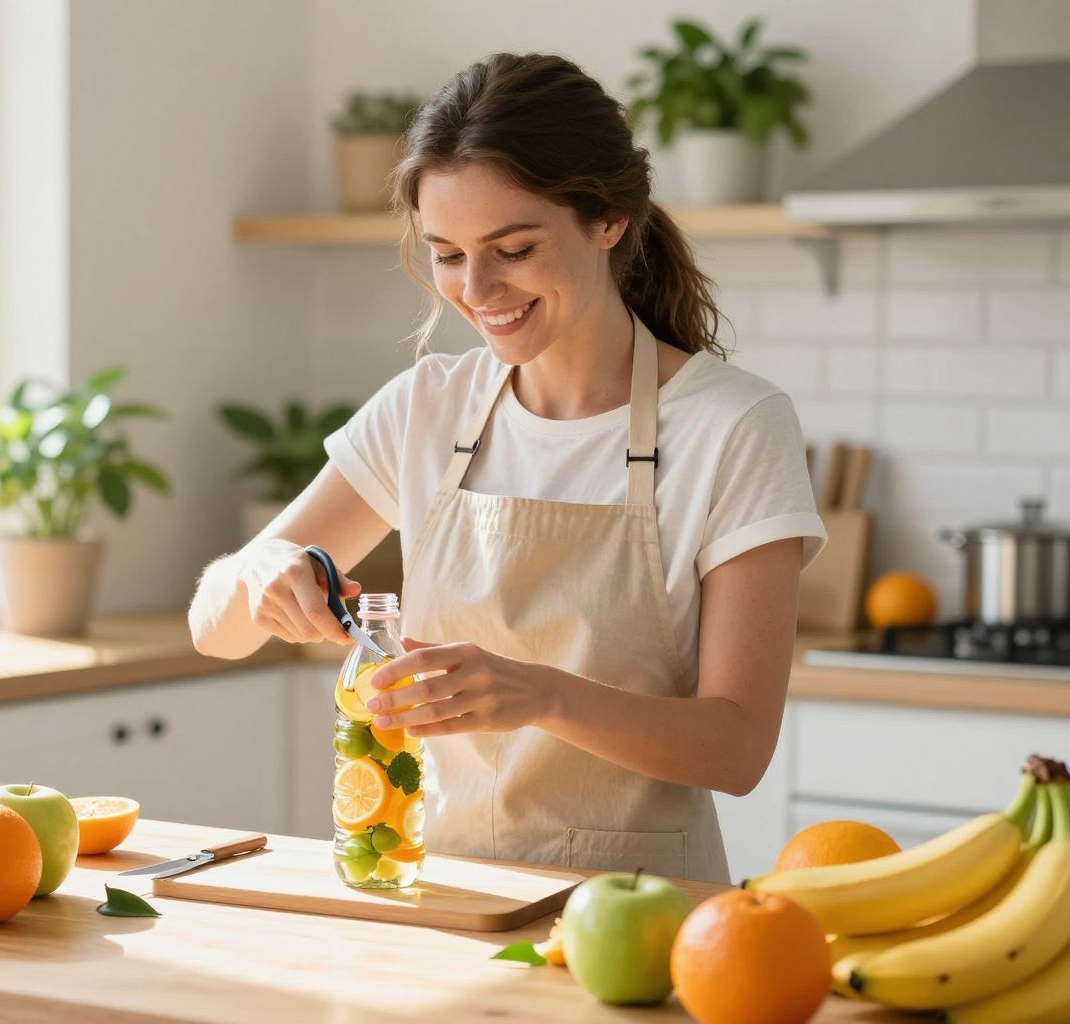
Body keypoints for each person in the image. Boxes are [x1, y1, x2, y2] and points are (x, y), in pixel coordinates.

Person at [189, 53, 824, 882]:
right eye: (447, 254)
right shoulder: (426, 407)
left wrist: (544, 695)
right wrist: (260, 573)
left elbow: (737, 749)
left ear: (609, 219)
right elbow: (213, 630)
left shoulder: (733, 425)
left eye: (514, 248)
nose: (478, 288)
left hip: (637, 913)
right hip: (436, 895)